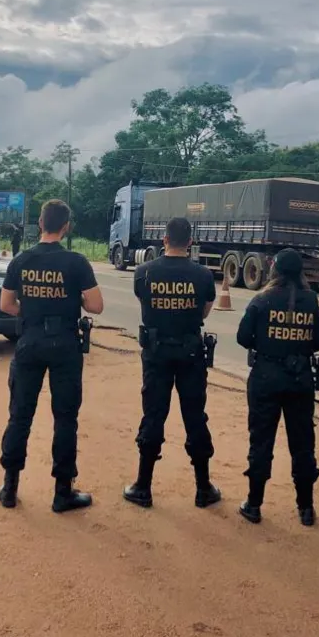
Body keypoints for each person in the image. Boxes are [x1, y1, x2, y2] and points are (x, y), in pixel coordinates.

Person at [0, 199, 104, 513]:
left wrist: (31, 313)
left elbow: (5, 304)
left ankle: (9, 487)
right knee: (65, 419)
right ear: (66, 226)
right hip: (65, 345)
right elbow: (96, 306)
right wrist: (72, 302)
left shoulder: (21, 260)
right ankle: (62, 492)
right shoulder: (76, 262)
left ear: (40, 223)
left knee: (20, 416)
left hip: (29, 341)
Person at [124, 217, 220, 509]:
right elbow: (203, 312)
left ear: (164, 240)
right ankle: (203, 488)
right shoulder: (203, 275)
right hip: (191, 354)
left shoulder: (144, 272)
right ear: (190, 242)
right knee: (195, 417)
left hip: (156, 354)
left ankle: (143, 486)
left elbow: (145, 304)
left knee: (153, 415)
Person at [236, 248, 319, 526]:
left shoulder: (261, 299)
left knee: (261, 441)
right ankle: (306, 509)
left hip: (265, 377)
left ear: (274, 270)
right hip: (300, 379)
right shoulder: (311, 300)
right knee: (302, 445)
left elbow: (243, 337)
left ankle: (254, 505)